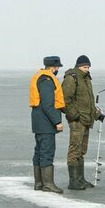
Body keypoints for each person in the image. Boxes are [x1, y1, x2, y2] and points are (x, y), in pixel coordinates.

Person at [61, 55, 105, 190]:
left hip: (86, 120)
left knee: (82, 150)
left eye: (88, 67)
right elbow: (65, 99)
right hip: (77, 121)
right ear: (78, 66)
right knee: (75, 149)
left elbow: (89, 101)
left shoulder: (86, 79)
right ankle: (73, 181)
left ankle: (81, 179)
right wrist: (75, 116)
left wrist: (97, 114)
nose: (87, 69)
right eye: (85, 67)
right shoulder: (71, 78)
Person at [29, 56, 65, 193]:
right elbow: (48, 104)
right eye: (58, 68)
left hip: (38, 122)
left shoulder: (39, 76)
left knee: (39, 151)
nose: (58, 70)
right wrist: (57, 121)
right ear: (54, 67)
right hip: (46, 123)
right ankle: (48, 184)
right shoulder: (47, 80)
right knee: (47, 151)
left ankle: (39, 183)